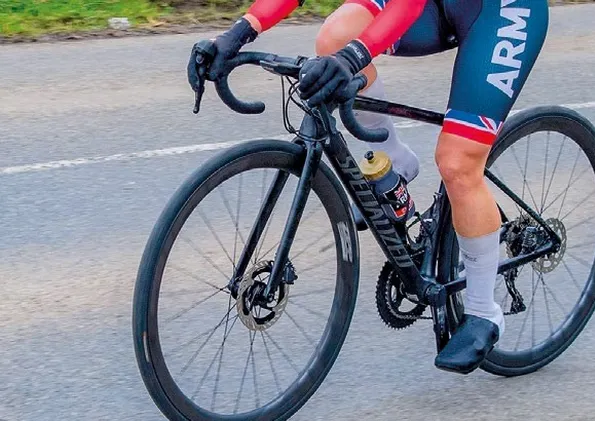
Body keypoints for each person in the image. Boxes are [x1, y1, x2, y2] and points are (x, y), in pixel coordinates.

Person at [187, 0, 549, 375]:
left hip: (502, 14)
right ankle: (396, 159)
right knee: (335, 36)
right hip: (434, 9)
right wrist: (237, 33)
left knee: (457, 164)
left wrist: (351, 59)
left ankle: (482, 311)